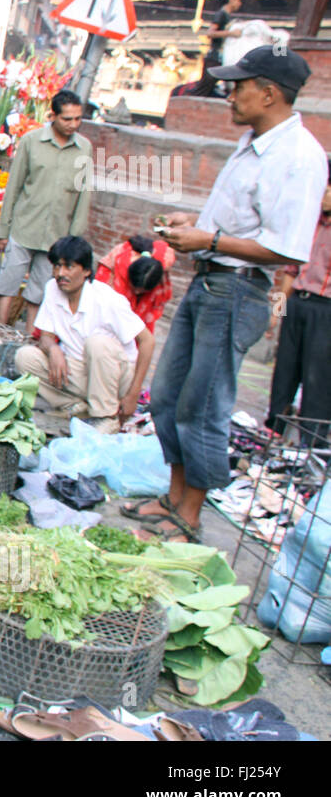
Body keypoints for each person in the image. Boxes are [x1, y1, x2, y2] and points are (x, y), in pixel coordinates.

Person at [125, 45, 327, 543]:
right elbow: (242, 218)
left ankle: (189, 518)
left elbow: (286, 248)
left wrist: (208, 240)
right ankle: (172, 498)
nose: (229, 95)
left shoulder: (299, 157)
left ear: (269, 92)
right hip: (211, 281)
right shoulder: (252, 141)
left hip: (239, 290)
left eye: (238, 86)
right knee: (170, 398)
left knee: (204, 406)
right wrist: (195, 226)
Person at [16, 236, 154, 434]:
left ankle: (105, 416)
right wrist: (53, 348)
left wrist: (133, 394)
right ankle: (75, 406)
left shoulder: (107, 299)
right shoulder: (52, 289)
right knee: (25, 357)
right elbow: (45, 336)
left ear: (87, 270)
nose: (60, 274)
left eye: (68, 267)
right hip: (81, 372)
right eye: (57, 266)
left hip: (116, 376)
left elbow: (147, 341)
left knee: (97, 343)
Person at [0, 89, 92, 333]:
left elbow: (83, 196)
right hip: (24, 228)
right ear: (53, 116)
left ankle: (28, 344)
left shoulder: (84, 148)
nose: (73, 125)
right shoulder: (31, 141)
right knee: (7, 287)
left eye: (78, 119)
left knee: (40, 294)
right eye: (67, 119)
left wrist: (74, 241)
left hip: (57, 238)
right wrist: (3, 231)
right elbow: (13, 187)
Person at [266, 164, 331, 438]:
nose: (324, 194)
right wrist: (276, 312)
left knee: (317, 376)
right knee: (285, 369)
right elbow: (289, 272)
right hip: (297, 305)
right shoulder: (309, 224)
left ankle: (310, 441)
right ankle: (273, 431)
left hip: (325, 309)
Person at [94, 234, 175, 332]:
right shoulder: (118, 264)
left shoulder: (162, 267)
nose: (136, 292)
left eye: (142, 291)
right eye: (134, 288)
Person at [193, 0, 243, 98]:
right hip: (214, 57)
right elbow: (210, 33)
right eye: (238, 0)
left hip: (221, 57)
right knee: (204, 88)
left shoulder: (227, 16)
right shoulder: (221, 14)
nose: (240, 4)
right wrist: (231, 33)